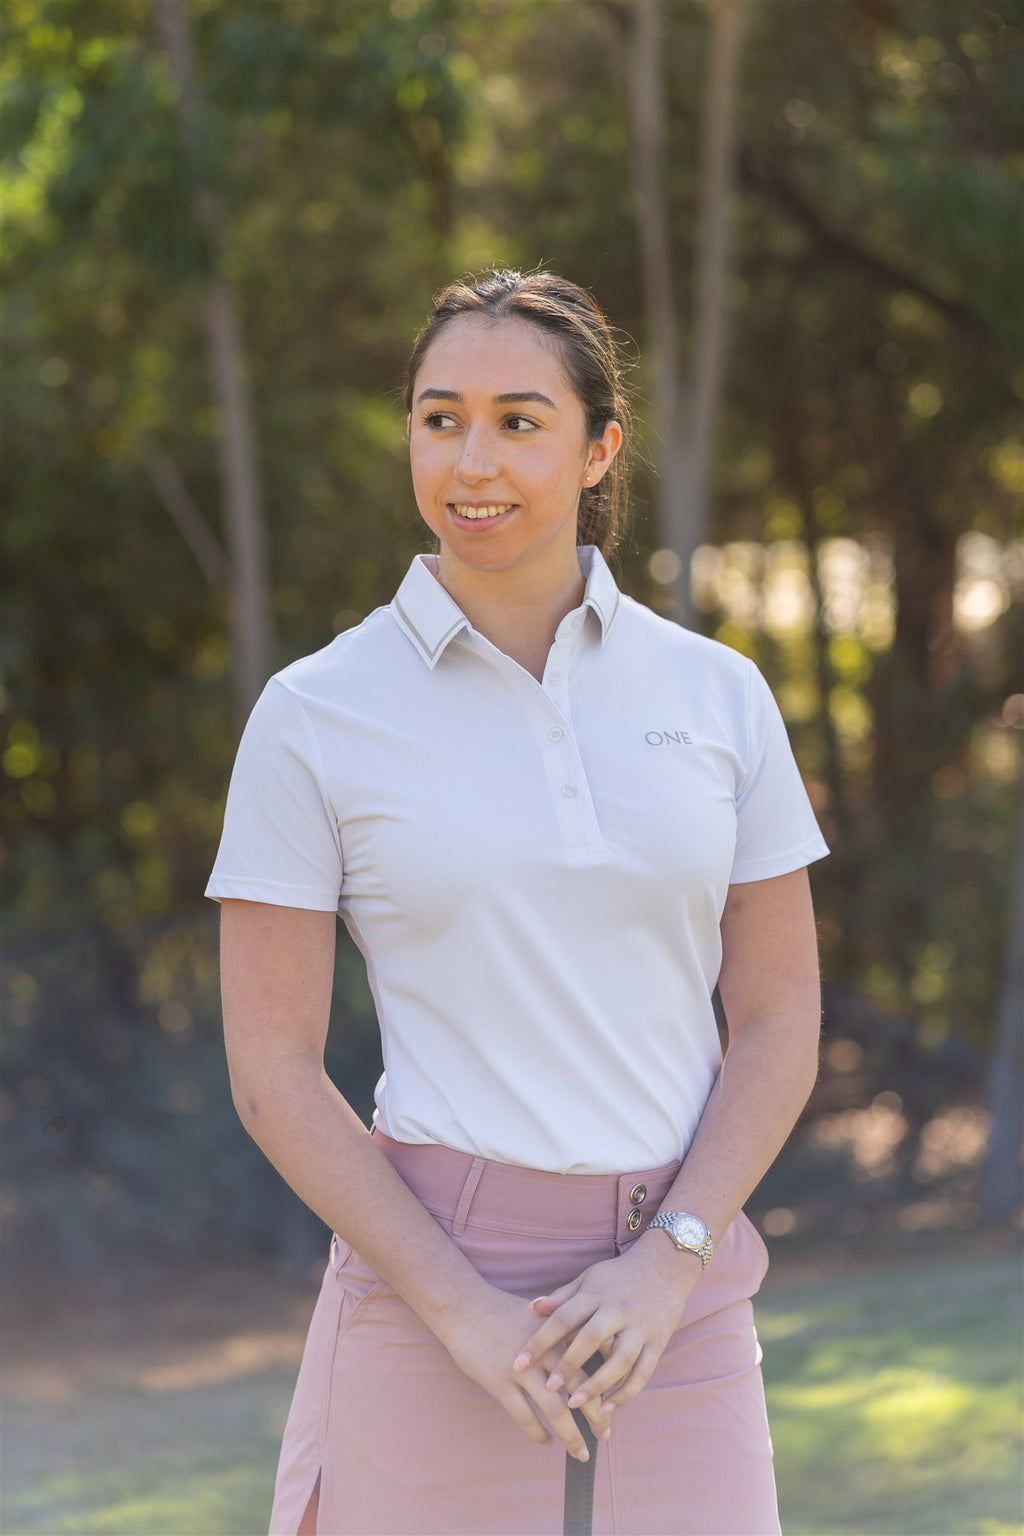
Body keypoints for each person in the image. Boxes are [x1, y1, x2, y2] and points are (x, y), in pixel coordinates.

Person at [206, 268, 829, 1536]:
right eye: (439, 419)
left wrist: (672, 1261)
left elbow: (777, 1018)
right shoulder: (315, 714)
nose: (470, 460)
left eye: (518, 420)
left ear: (599, 448)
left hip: (680, 1287)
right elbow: (272, 1066)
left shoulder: (716, 696)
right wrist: (459, 1307)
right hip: (432, 1280)